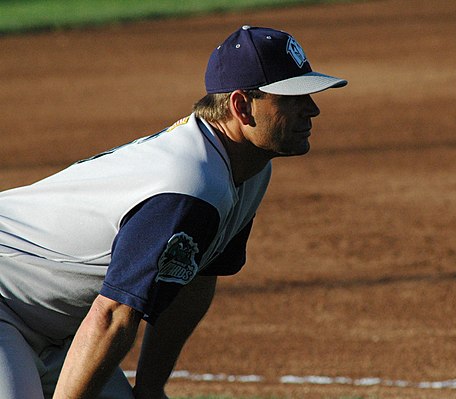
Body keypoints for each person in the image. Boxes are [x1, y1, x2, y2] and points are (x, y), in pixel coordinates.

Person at [0, 25, 346, 399]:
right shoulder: (189, 186)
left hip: (54, 329)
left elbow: (195, 278)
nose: (312, 108)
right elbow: (113, 314)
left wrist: (150, 388)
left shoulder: (249, 170)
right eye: (291, 98)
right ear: (241, 106)